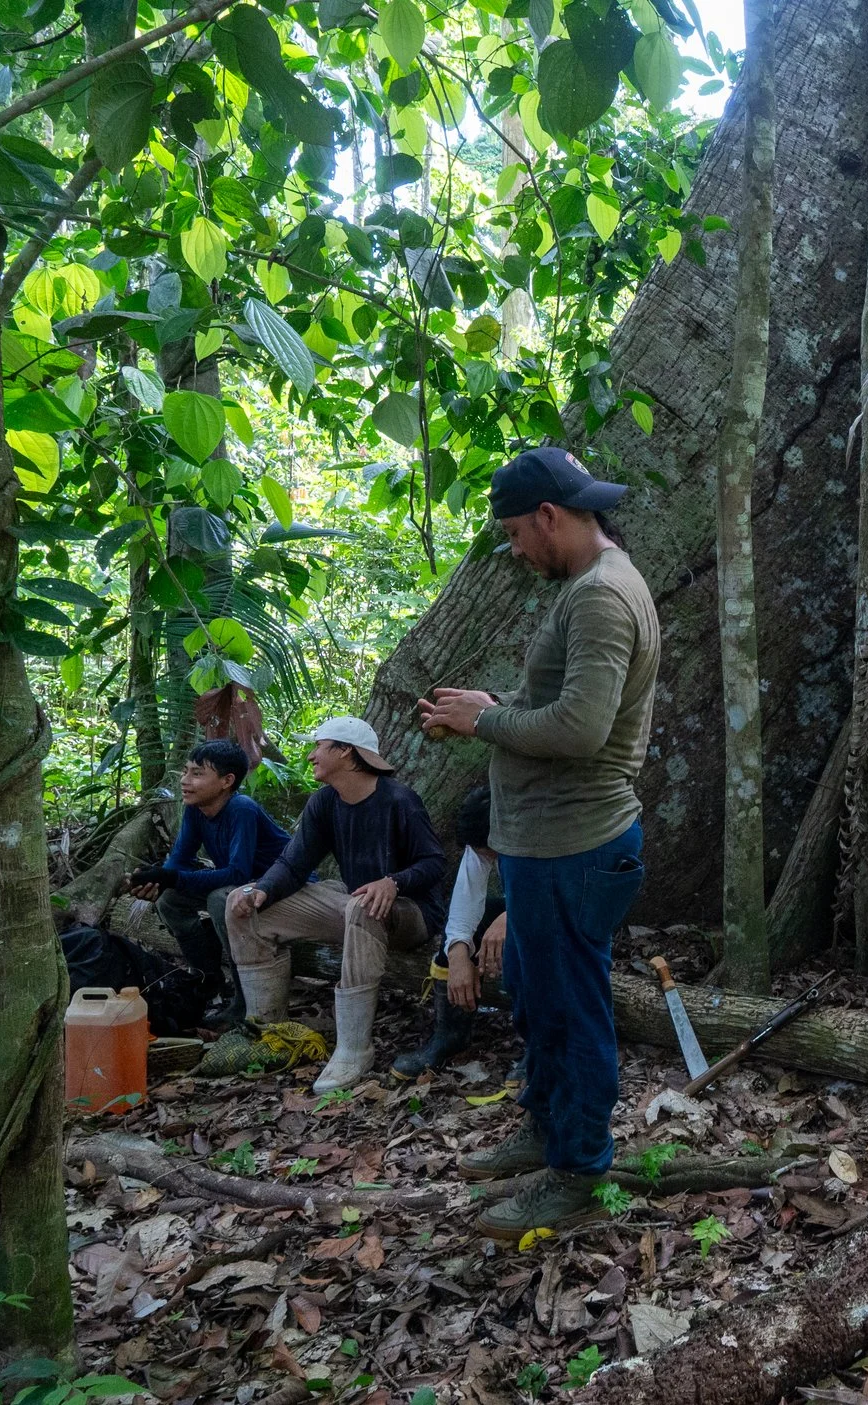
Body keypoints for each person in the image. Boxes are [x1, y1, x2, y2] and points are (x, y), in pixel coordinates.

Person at [419, 446, 656, 1241]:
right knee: (531, 987)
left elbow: (584, 729)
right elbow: (561, 701)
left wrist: (482, 719)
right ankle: (546, 1126)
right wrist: (496, 704)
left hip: (575, 846)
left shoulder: (600, 598)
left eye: (518, 534)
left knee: (570, 1008)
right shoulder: (589, 588)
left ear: (551, 517)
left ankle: (580, 1171)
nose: (517, 550)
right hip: (545, 846)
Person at [221, 717, 445, 1093]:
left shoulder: (398, 800)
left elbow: (434, 862)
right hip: (355, 905)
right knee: (239, 903)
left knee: (361, 904)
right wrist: (262, 891)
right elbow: (294, 863)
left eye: (319, 747)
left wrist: (393, 882)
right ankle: (269, 1031)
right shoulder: (324, 802)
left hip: (411, 913)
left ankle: (353, 1049)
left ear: (346, 752)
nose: (311, 756)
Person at [125, 739, 290, 1025]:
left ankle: (243, 1000)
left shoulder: (242, 809)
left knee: (221, 899)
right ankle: (207, 979)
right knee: (171, 901)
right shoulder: (196, 808)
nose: (185, 781)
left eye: (197, 774)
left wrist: (172, 877)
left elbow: (237, 873)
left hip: (279, 887)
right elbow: (178, 860)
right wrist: (158, 880)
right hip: (246, 885)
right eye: (186, 771)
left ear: (227, 781)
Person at [392, 784, 516, 1074]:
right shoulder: (481, 843)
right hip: (520, 907)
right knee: (460, 934)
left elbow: (561, 895)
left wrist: (514, 916)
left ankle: (540, 1048)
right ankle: (450, 1035)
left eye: (489, 852)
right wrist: (458, 953)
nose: (486, 858)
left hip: (564, 911)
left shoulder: (543, 834)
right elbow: (466, 901)